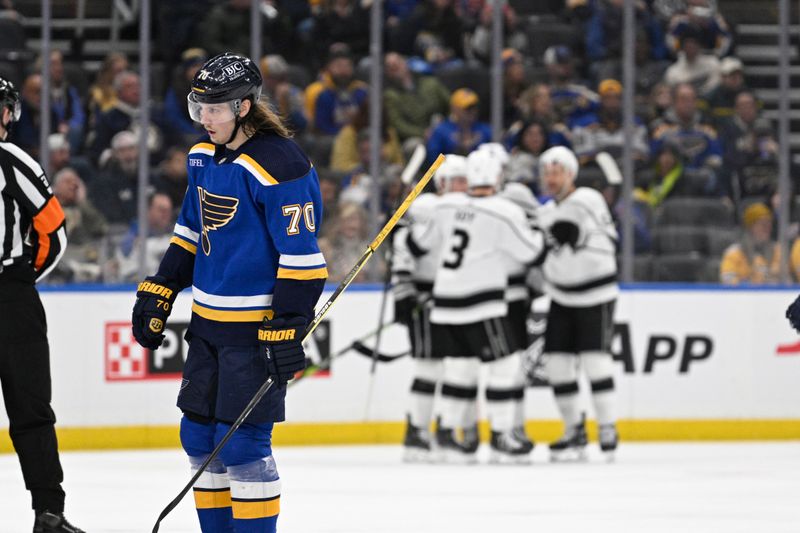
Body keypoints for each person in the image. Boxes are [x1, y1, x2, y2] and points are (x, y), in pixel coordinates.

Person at [130, 53, 327, 533]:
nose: (204, 118)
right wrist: (163, 286)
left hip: (253, 333)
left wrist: (288, 325)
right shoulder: (202, 157)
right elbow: (190, 231)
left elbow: (302, 257)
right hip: (207, 326)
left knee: (242, 446)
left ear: (243, 106)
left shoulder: (281, 164)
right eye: (199, 108)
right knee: (198, 436)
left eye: (214, 109)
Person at [409, 149, 546, 463]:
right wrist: (539, 231)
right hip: (482, 301)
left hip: (445, 301)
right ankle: (501, 436)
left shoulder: (446, 206)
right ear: (497, 177)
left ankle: (445, 433)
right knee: (505, 366)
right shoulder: (503, 211)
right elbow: (531, 253)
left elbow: (419, 245)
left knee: (461, 367)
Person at [0, 77, 84, 531]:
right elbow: (55, 231)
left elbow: (54, 228)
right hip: (11, 295)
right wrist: (20, 278)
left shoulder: (12, 160)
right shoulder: (14, 159)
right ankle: (48, 513)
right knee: (32, 410)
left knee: (31, 410)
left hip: (12, 294)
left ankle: (49, 513)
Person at [537, 146, 619, 461]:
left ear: (570, 175)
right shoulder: (548, 210)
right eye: (547, 173)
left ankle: (608, 427)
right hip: (561, 296)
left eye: (557, 172)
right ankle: (574, 429)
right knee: (557, 366)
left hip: (595, 296)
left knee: (595, 362)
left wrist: (549, 225)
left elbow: (571, 231)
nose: (551, 178)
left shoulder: (586, 199)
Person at [391, 154, 469, 462]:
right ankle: (417, 430)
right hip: (425, 296)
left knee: (460, 367)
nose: (463, 186)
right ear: (443, 182)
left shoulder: (470, 210)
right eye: (458, 180)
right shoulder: (425, 208)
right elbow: (404, 249)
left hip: (461, 297)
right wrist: (404, 292)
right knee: (430, 366)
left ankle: (448, 428)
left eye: (467, 180)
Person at [720, 203, 781, 285]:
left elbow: (786, 281)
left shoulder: (778, 250)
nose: (767, 227)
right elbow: (727, 281)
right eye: (762, 224)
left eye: (769, 223)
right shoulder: (734, 253)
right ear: (750, 227)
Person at [425, 88, 492, 162]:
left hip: (479, 170)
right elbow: (433, 161)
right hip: (450, 170)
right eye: (468, 108)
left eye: (474, 107)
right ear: (454, 109)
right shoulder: (441, 131)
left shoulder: (485, 130)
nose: (472, 111)